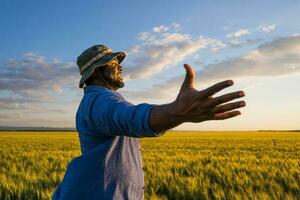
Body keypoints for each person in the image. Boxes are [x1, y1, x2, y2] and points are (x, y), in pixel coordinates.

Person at [52, 44, 246, 200]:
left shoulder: (99, 101)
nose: (120, 66)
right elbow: (130, 117)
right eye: (112, 63)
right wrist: (177, 111)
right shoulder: (99, 102)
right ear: (94, 73)